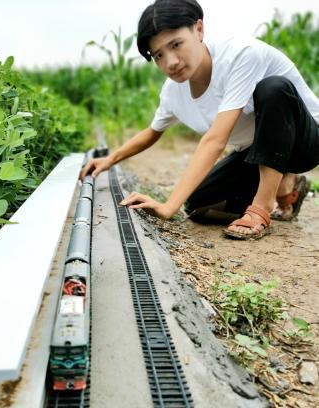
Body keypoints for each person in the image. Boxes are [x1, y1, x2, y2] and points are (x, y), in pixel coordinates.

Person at [80, 0, 319, 240]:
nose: (170, 62)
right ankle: (285, 185)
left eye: (176, 44)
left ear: (199, 30)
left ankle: (263, 205)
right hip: (257, 149)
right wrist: (110, 159)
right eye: (159, 55)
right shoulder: (174, 91)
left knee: (273, 88)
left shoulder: (240, 55)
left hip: (304, 140)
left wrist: (168, 206)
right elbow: (153, 132)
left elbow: (215, 141)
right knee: (199, 202)